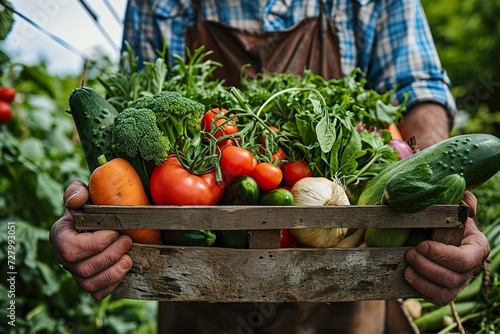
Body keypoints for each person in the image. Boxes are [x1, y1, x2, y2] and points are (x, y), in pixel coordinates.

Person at [50, 1, 491, 333]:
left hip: (348, 290)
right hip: (194, 293)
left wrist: (435, 194)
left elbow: (417, 87)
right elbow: (133, 122)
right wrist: (96, 211)